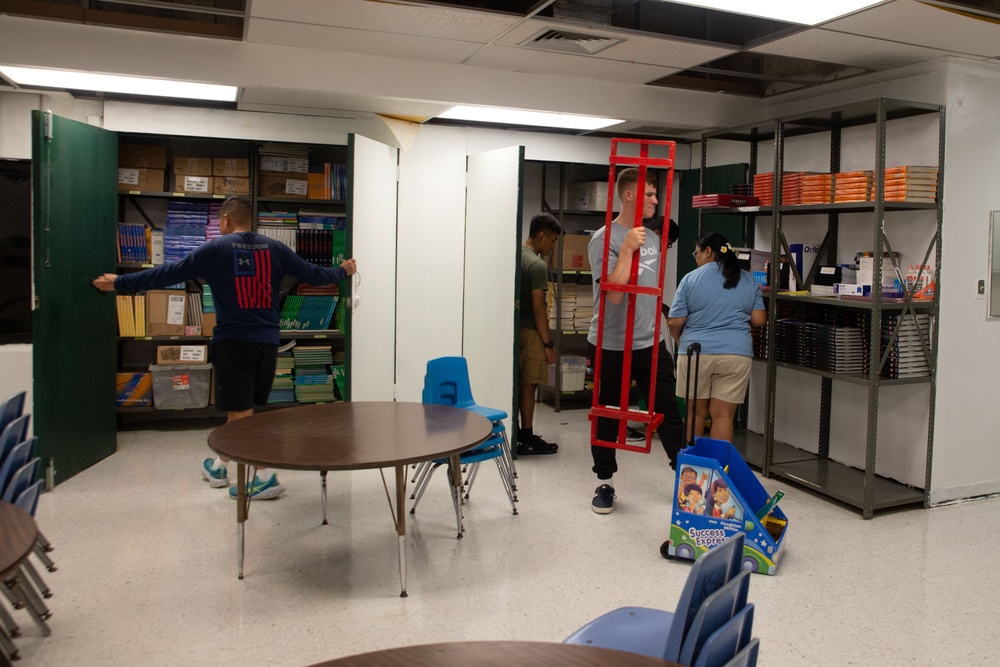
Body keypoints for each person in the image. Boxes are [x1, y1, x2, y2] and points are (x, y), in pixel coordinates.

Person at [93, 197, 357, 499]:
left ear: (226, 220)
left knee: (241, 414)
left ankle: (265, 476)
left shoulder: (215, 249)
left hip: (234, 343)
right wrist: (343, 270)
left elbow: (167, 274)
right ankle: (218, 465)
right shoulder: (275, 249)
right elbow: (313, 274)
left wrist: (120, 282)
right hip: (268, 344)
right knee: (243, 412)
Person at [586, 167, 685, 514]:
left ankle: (686, 481)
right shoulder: (604, 238)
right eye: (650, 195)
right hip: (610, 343)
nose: (656, 201)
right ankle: (605, 482)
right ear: (629, 195)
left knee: (669, 412)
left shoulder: (654, 238)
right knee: (607, 413)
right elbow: (613, 296)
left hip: (649, 341)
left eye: (656, 195)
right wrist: (626, 250)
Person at [667, 231, 766, 444]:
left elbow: (674, 322)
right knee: (723, 415)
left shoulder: (690, 279)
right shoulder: (748, 279)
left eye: (696, 252)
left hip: (696, 352)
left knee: (695, 413)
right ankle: (719, 471)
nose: (695, 257)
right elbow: (759, 319)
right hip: (736, 354)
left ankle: (691, 469)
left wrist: (679, 339)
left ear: (708, 252)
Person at [517, 212, 562, 455]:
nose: (553, 246)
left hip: (517, 330)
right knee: (530, 383)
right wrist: (548, 343)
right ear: (542, 235)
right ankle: (526, 435)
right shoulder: (537, 265)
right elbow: (538, 308)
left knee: (520, 382)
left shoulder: (518, 255)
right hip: (532, 332)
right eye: (553, 240)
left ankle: (519, 433)